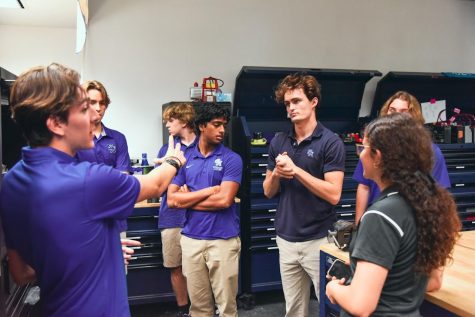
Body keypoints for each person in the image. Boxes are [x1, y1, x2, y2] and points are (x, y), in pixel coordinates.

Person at [0, 63, 185, 317]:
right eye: (84, 109)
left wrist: (95, 250)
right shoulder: (89, 180)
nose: (94, 116)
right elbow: (156, 183)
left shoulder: (11, 182)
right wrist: (174, 160)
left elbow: (21, 274)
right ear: (56, 123)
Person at [326, 113, 461, 316]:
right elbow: (433, 281)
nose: (359, 154)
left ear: (378, 157)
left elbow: (360, 304)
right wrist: (374, 274)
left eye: (363, 148)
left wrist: (334, 289)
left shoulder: (380, 216)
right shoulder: (425, 206)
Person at [262, 73, 345, 317]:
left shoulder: (330, 143)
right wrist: (277, 173)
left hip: (319, 239)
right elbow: (268, 191)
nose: (291, 108)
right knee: (294, 310)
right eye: (287, 104)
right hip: (286, 239)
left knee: (329, 306)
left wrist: (296, 170)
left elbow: (333, 194)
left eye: (297, 101)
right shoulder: (278, 141)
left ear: (314, 101)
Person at [167, 103, 243, 317]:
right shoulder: (186, 158)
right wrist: (208, 191)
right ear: (201, 126)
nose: (222, 130)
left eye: (224, 126)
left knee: (227, 307)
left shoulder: (231, 159)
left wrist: (187, 198)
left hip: (223, 241)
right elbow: (172, 200)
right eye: (216, 125)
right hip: (191, 240)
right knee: (199, 308)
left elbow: (224, 201)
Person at [353, 91, 450, 224]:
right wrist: (359, 224)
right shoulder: (373, 147)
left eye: (403, 111)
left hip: (413, 223)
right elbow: (364, 186)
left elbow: (437, 194)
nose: (396, 115)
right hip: (377, 217)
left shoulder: (429, 151)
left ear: (413, 116)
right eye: (392, 110)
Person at [155, 103, 197, 317]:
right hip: (171, 218)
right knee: (176, 267)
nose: (167, 124)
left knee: (198, 268)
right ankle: (183, 310)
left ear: (185, 121)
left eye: (171, 120)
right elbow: (159, 185)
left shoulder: (203, 146)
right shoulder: (167, 149)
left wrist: (190, 189)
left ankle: (200, 309)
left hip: (197, 217)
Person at [76, 80, 133, 174]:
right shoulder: (72, 138)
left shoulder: (118, 138)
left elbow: (124, 175)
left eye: (102, 103)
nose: (98, 108)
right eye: (92, 102)